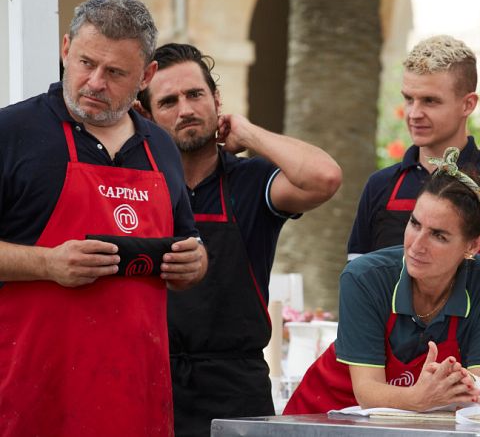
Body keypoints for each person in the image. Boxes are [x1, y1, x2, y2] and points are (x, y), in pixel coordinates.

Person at [0, 0, 207, 437]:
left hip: (137, 401)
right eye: (85, 63)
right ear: (65, 48)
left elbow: (191, 242)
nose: (94, 82)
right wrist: (47, 264)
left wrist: (195, 262)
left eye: (115, 72)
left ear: (146, 76)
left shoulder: (161, 148)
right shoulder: (11, 133)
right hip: (30, 401)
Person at [136, 43, 342, 435]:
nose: (186, 109)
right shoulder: (138, 186)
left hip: (237, 393)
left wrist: (247, 132)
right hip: (151, 383)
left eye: (195, 94)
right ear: (145, 114)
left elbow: (325, 177)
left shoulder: (250, 181)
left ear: (216, 99)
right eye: (168, 101)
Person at [284, 147, 480, 414]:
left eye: (438, 235)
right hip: (324, 418)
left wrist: (463, 384)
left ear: (473, 245)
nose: (416, 245)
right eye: (415, 224)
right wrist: (422, 397)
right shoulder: (363, 277)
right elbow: (368, 392)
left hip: (413, 423)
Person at [347, 35, 480, 337]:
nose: (414, 113)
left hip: (469, 372)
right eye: (409, 99)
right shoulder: (381, 185)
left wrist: (465, 363)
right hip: (386, 369)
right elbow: (358, 288)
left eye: (430, 101)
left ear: (468, 104)